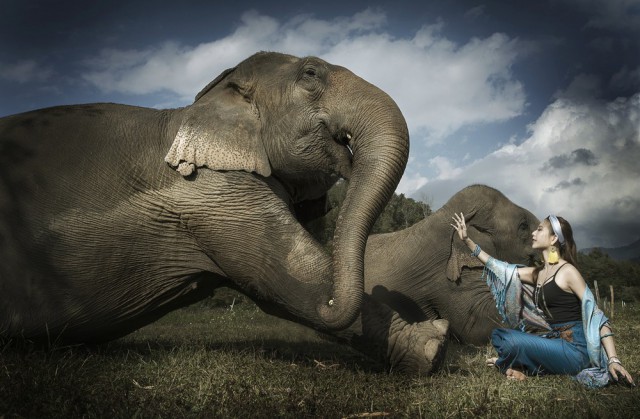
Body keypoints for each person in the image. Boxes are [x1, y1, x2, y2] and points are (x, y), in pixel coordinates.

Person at [451, 212, 635, 386]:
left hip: (575, 349)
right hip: (554, 342)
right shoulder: (538, 273)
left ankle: (513, 364)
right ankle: (524, 368)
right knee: (499, 335)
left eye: (539, 229)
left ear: (553, 239)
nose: (533, 232)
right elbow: (500, 268)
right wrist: (467, 241)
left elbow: (597, 315)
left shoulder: (568, 272)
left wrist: (613, 360)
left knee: (505, 339)